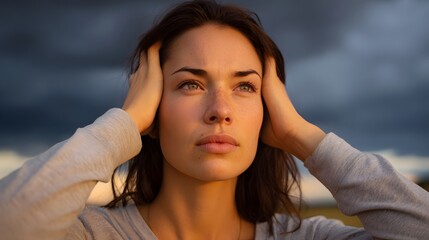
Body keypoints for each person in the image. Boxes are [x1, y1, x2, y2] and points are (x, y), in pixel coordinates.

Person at [0, 1, 428, 239]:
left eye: (245, 87)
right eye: (191, 84)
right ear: (152, 107)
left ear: (269, 107)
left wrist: (302, 136)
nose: (220, 109)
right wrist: (123, 123)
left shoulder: (307, 238)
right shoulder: (93, 235)